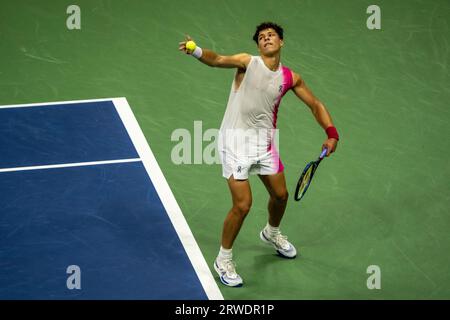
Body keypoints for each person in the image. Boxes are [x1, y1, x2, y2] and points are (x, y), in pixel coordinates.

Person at [179, 22, 340, 287]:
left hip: (264, 144)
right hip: (235, 143)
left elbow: (315, 104)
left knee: (281, 195)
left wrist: (331, 133)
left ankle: (271, 233)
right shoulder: (247, 62)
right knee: (243, 205)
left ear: (281, 42)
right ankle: (223, 258)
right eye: (262, 37)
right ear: (258, 45)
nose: (266, 39)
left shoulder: (290, 78)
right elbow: (217, 59)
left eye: (271, 35)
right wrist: (196, 50)